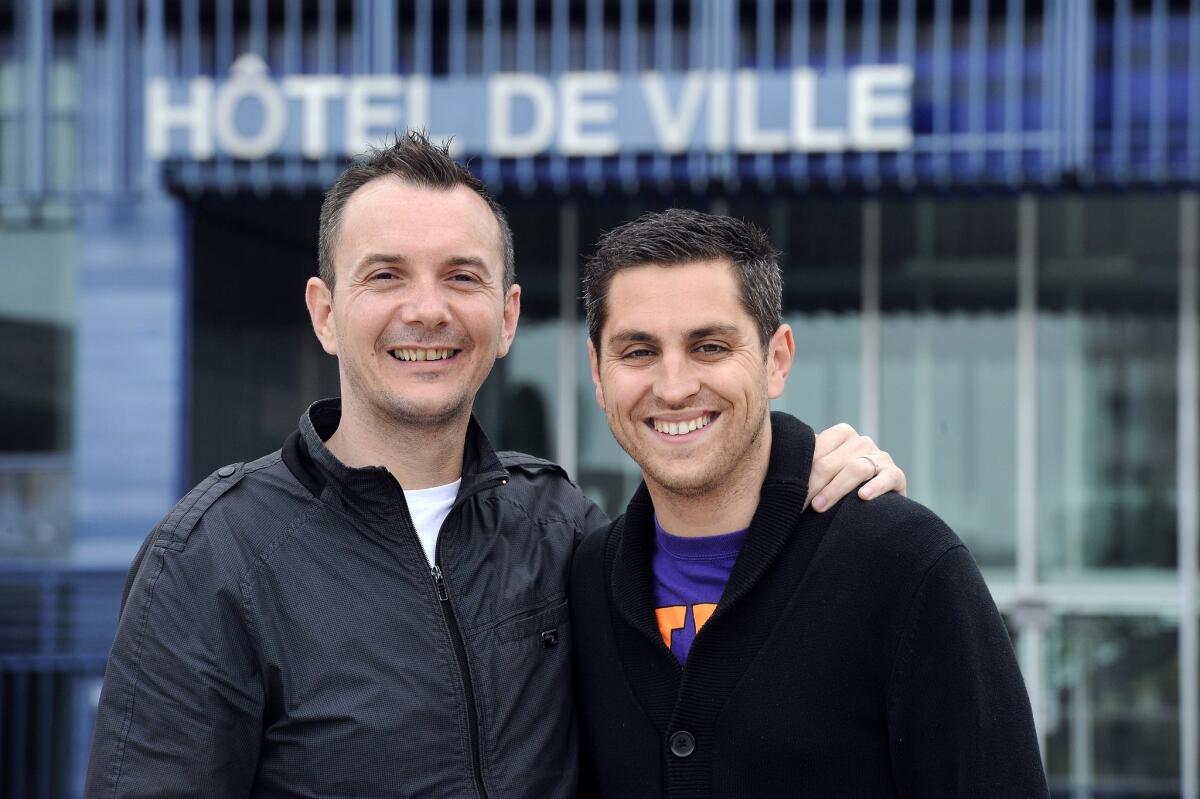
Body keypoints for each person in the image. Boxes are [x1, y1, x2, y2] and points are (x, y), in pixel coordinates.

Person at [84, 132, 906, 798]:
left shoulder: (563, 529)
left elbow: (720, 589)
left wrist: (809, 478)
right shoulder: (211, 561)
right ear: (325, 312)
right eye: (386, 276)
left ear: (507, 315)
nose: (428, 309)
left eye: (462, 277)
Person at [570, 209, 1049, 798]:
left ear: (777, 359)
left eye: (711, 346)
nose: (673, 387)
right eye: (638, 351)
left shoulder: (906, 567)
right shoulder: (580, 585)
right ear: (597, 371)